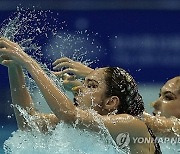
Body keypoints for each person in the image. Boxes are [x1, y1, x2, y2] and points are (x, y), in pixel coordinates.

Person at [0, 37, 161, 153]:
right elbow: (29, 124)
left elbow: (68, 113)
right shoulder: (84, 124)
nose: (80, 89)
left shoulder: (130, 124)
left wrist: (28, 62)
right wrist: (15, 68)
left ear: (111, 102)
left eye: (91, 85)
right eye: (84, 84)